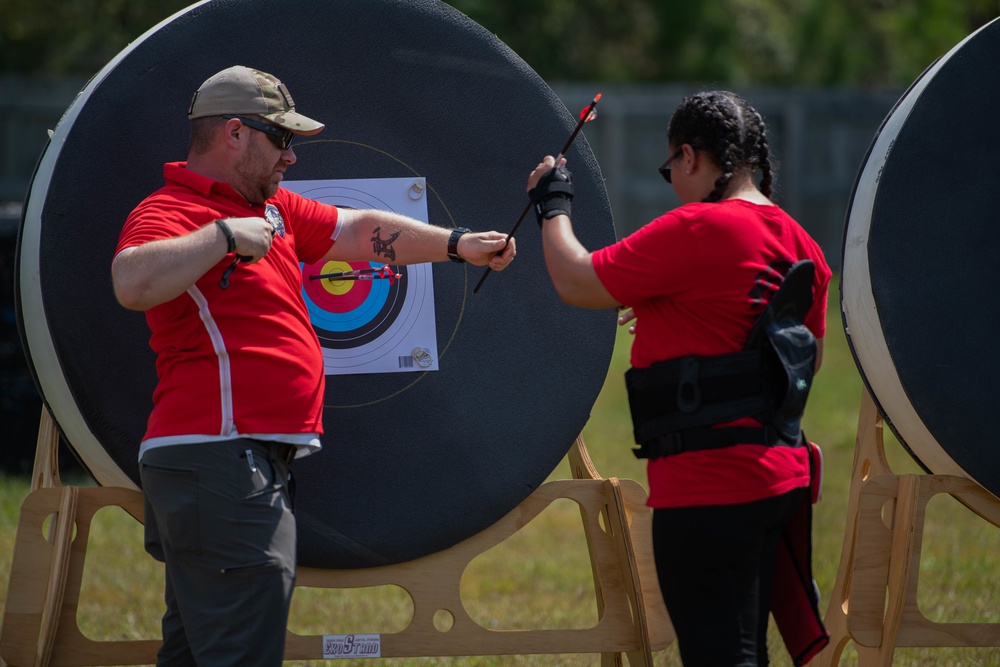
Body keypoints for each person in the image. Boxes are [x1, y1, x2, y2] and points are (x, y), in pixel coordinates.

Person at [111, 65, 515, 666]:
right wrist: (221, 235)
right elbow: (133, 280)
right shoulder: (172, 209)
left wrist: (455, 245)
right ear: (235, 134)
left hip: (228, 464)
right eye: (283, 139)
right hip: (220, 457)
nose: (291, 159)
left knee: (198, 655)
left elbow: (355, 229)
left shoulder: (271, 210)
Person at [526, 90, 830, 666]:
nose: (673, 182)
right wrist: (678, 313)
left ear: (690, 157)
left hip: (709, 488)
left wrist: (553, 203)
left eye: (670, 169)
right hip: (779, 486)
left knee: (720, 655)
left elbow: (576, 280)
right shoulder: (801, 241)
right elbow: (797, 362)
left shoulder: (696, 228)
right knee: (745, 651)